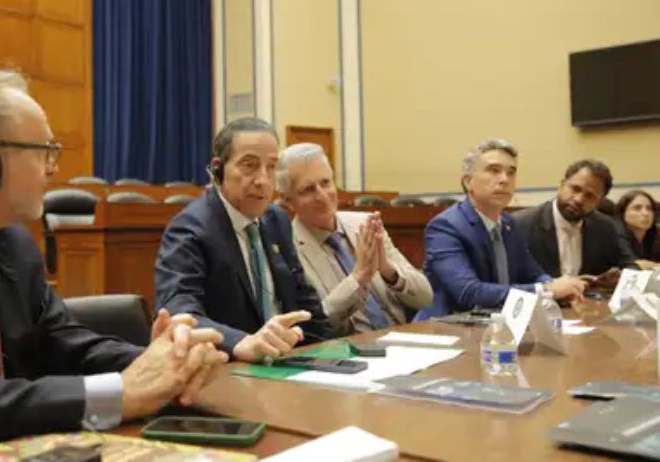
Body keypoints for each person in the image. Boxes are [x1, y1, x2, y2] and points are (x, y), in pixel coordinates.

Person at [0, 61, 227, 457]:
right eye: (45, 151)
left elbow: (62, 344)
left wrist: (163, 363)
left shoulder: (11, 243)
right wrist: (121, 394)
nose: (54, 168)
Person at [155, 118, 329, 363]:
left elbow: (306, 302)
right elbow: (180, 312)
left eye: (271, 167)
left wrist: (321, 347)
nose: (263, 180)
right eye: (249, 166)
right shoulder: (189, 229)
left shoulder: (276, 219)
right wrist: (240, 342)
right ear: (218, 169)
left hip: (289, 361)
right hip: (230, 369)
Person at [419, 139, 586, 319]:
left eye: (511, 173)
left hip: (499, 324)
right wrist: (545, 289)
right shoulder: (446, 226)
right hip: (446, 328)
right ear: (468, 182)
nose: (504, 179)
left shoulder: (509, 224)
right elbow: (468, 292)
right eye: (494, 171)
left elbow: (533, 274)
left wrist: (558, 285)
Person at [276, 143, 432, 334]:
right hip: (351, 352)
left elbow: (426, 297)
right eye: (308, 190)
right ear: (288, 201)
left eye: (326, 183)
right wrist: (358, 278)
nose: (322, 196)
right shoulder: (288, 249)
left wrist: (387, 270)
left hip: (403, 338)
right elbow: (314, 325)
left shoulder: (365, 225)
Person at [513, 159, 637, 286]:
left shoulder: (605, 227)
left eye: (589, 196)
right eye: (575, 189)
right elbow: (508, 281)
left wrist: (615, 279)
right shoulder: (521, 224)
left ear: (599, 201)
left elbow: (631, 267)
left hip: (589, 302)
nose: (578, 199)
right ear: (561, 185)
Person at [616, 189, 660, 269]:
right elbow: (633, 265)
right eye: (637, 208)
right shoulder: (616, 236)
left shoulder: (655, 235)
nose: (645, 213)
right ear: (623, 213)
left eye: (649, 208)